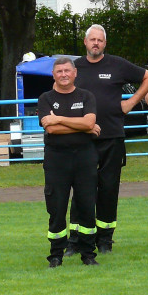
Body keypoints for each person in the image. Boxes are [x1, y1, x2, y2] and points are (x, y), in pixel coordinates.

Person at [71, 24, 148, 254]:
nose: (95, 43)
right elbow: (58, 90)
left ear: (105, 44)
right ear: (85, 42)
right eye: (92, 40)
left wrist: (131, 103)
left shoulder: (117, 64)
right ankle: (76, 240)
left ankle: (104, 241)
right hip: (82, 138)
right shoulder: (74, 67)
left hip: (112, 136)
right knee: (82, 189)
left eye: (100, 40)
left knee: (109, 189)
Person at [37, 57, 100, 268]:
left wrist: (59, 118)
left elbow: (89, 121)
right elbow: (51, 129)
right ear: (53, 75)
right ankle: (56, 255)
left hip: (85, 157)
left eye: (67, 70)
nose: (63, 74)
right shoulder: (45, 98)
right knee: (56, 207)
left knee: (86, 206)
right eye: (59, 71)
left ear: (75, 73)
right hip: (57, 159)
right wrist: (83, 127)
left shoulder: (86, 96)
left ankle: (88, 254)